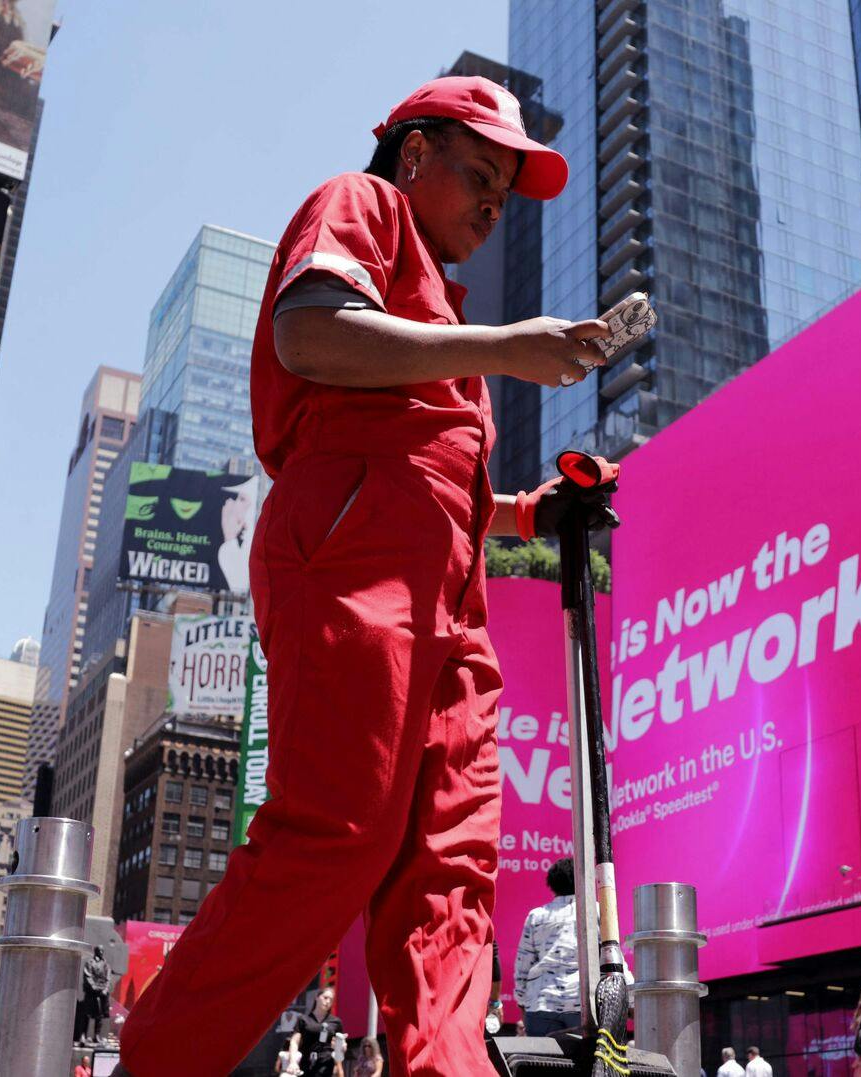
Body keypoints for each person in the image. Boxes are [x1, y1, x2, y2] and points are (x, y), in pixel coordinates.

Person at [113, 72, 608, 1077]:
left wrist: (527, 513)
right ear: (415, 153)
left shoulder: (442, 320)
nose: (492, 208)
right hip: (353, 554)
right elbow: (309, 332)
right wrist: (505, 348)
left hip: (446, 591)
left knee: (451, 864)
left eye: (503, 195)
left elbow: (438, 477)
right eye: (480, 177)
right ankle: (159, 1062)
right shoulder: (362, 202)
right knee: (337, 831)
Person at [516, 858, 583, 1036]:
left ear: (552, 884)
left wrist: (522, 1001)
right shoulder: (594, 913)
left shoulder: (536, 916)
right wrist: (631, 1002)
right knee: (587, 1055)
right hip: (582, 1005)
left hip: (541, 1003)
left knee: (542, 1055)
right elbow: (612, 957)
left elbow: (523, 964)